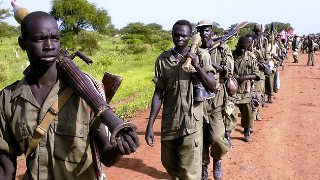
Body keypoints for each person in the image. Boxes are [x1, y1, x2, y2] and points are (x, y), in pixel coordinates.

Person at [0, 11, 139, 180]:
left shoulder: (85, 94)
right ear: (22, 43)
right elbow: (6, 165)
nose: (49, 45)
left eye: (55, 38)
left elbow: (106, 156)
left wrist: (119, 148)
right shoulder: (8, 99)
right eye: (40, 39)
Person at [145, 19, 216, 180]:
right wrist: (150, 126)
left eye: (183, 36)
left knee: (189, 173)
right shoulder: (163, 60)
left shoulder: (201, 55)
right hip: (170, 122)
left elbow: (212, 85)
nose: (179, 39)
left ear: (190, 36)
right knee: (168, 163)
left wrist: (197, 66)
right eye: (176, 35)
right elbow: (158, 93)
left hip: (192, 122)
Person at [195, 19, 233, 180]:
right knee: (200, 138)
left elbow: (229, 71)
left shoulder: (223, 49)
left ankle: (217, 159)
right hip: (198, 101)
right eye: (201, 30)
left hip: (216, 100)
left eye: (206, 30)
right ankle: (203, 168)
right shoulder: (194, 50)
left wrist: (211, 64)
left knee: (217, 138)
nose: (204, 33)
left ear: (212, 31)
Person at [232, 36, 261, 142]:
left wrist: (245, 77)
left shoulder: (251, 57)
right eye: (241, 47)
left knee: (247, 112)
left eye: (245, 48)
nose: (243, 50)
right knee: (230, 113)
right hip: (232, 90)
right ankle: (227, 134)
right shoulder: (231, 55)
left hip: (245, 90)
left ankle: (247, 130)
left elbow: (257, 75)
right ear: (237, 44)